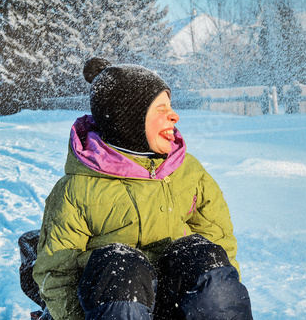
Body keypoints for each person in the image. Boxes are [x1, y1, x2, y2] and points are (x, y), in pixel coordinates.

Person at [32, 58, 253, 320]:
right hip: (113, 304)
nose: (174, 115)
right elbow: (57, 274)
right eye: (161, 109)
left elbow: (220, 243)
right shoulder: (77, 190)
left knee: (202, 256)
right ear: (128, 121)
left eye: (171, 107)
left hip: (176, 300)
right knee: (121, 267)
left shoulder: (189, 172)